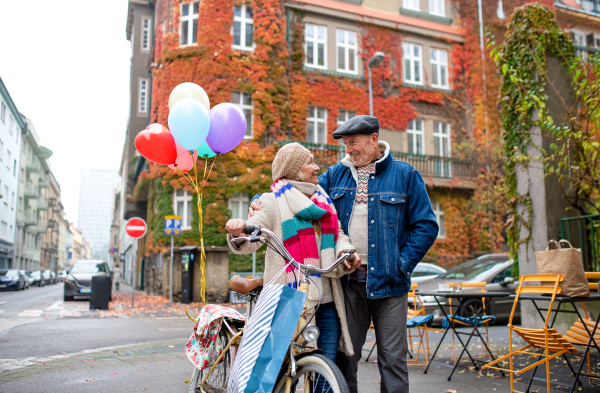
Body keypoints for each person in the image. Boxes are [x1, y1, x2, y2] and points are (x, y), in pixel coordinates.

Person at [249, 115, 439, 393]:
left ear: (374, 140)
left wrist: (401, 264)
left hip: (390, 283)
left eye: (354, 143)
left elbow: (426, 226)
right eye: (345, 144)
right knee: (345, 359)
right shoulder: (335, 175)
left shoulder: (405, 174)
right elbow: (295, 189)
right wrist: (259, 200)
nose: (348, 150)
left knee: (393, 361)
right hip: (348, 283)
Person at [225, 142, 362, 367]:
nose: (317, 167)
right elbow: (251, 236)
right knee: (277, 372)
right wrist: (238, 230)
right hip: (287, 301)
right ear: (296, 169)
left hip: (326, 301)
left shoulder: (324, 202)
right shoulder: (271, 202)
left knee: (323, 370)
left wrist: (347, 252)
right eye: (310, 162)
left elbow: (339, 236)